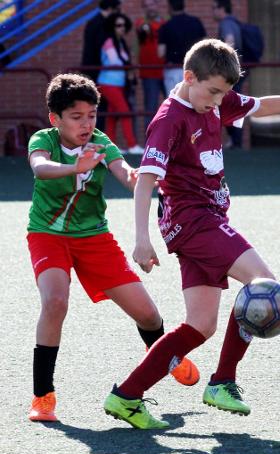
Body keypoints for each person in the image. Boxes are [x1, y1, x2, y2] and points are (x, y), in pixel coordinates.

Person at [102, 38, 280, 430]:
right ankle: (223, 380)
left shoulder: (215, 101)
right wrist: (140, 238)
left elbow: (263, 105)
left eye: (224, 93)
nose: (219, 102)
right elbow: (146, 180)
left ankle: (127, 395)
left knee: (200, 326)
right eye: (213, 92)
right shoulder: (171, 119)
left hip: (200, 222)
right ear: (189, 78)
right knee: (265, 285)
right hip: (195, 221)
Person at [26, 73, 200, 423]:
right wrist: (75, 166)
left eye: (92, 115)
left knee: (149, 315)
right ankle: (43, 396)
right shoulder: (43, 140)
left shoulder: (102, 144)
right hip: (48, 234)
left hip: (95, 239)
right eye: (77, 117)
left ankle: (169, 357)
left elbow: (125, 174)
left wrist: (145, 178)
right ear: (55, 119)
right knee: (55, 301)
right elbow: (41, 168)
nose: (86, 123)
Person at [97, 13, 144, 154]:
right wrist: (129, 66)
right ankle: (132, 145)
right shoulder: (109, 42)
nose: (122, 28)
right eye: (118, 25)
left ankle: (108, 147)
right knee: (125, 112)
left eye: (123, 25)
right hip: (108, 84)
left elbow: (123, 61)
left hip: (117, 84)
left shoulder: (121, 42)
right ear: (112, 26)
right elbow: (115, 62)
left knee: (112, 115)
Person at [81, 0, 121, 131]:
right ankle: (97, 141)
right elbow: (102, 49)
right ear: (111, 8)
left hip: (92, 71)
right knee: (99, 108)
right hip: (98, 72)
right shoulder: (102, 25)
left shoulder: (93, 22)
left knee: (96, 108)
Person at [212, 0, 244, 148]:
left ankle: (236, 141)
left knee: (228, 104)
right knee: (233, 104)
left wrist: (223, 63)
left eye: (214, 8)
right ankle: (235, 140)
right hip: (234, 71)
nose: (213, 12)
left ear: (221, 9)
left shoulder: (226, 24)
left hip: (229, 72)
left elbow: (230, 41)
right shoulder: (234, 22)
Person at [158, 0, 206, 95]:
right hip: (194, 69)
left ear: (170, 7)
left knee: (174, 104)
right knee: (193, 104)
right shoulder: (196, 22)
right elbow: (204, 46)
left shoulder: (165, 26)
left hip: (173, 69)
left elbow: (160, 53)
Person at [135, 0, 167, 133]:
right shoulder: (140, 23)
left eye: (152, 4)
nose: (150, 8)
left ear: (157, 5)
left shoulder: (165, 22)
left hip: (166, 71)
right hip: (149, 72)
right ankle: (150, 141)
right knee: (150, 109)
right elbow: (141, 32)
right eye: (147, 6)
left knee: (176, 106)